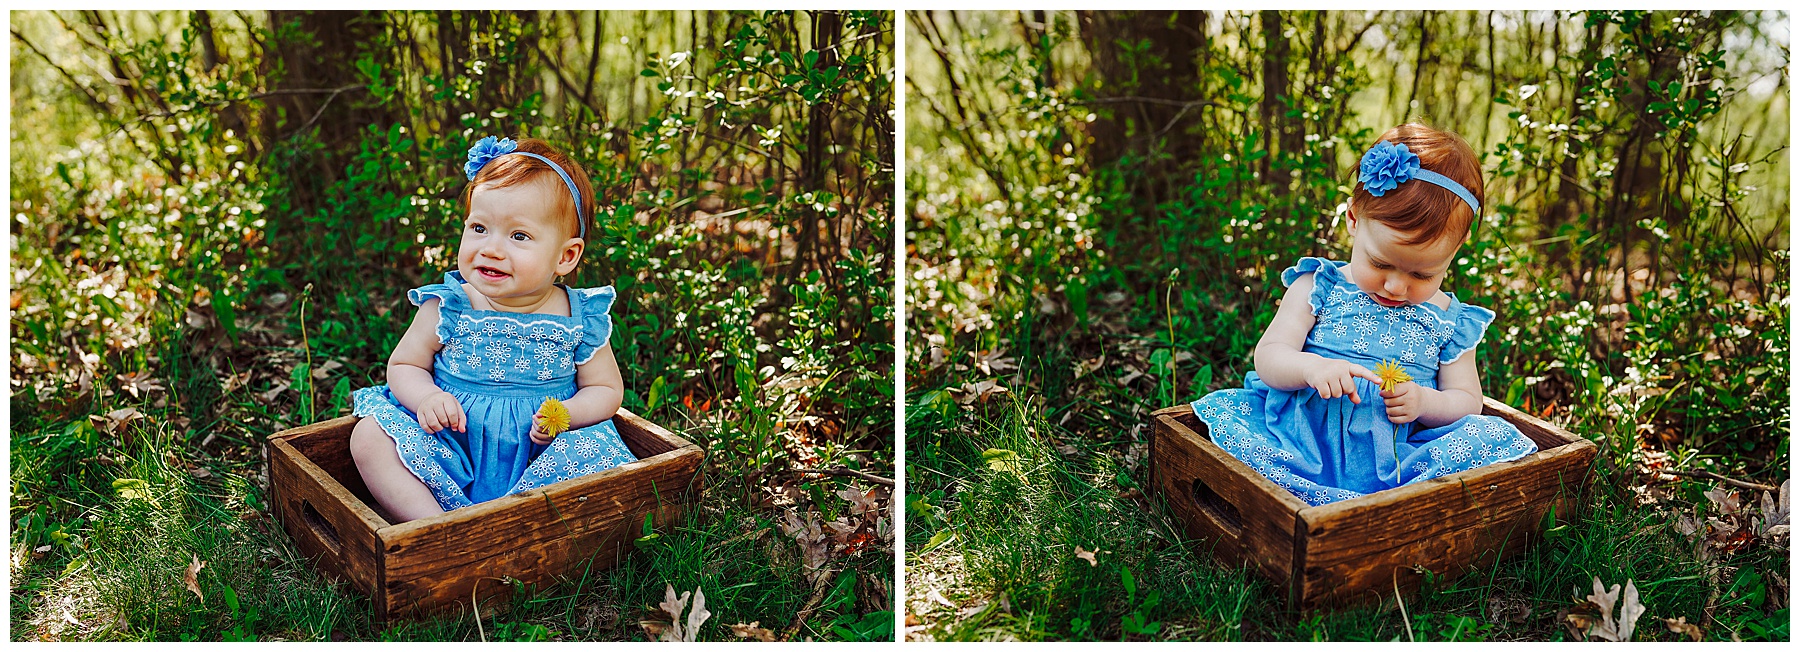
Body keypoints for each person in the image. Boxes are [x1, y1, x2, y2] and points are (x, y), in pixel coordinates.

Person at [1189, 123, 1538, 507]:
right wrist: (1310, 368)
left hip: (1400, 456)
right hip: (1302, 442)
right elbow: (1269, 356)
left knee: (1482, 438)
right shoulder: (1320, 286)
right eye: (1380, 262)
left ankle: (1401, 510)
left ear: (1454, 251)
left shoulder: (1450, 321)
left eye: (1423, 274)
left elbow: (1467, 400)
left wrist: (1424, 402)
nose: (1396, 287)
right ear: (1354, 220)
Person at [349, 136, 636, 522]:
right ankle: (432, 526)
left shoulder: (580, 318)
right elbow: (404, 366)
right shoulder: (449, 305)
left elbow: (605, 389)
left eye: (519, 236)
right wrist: (427, 398)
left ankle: (526, 531)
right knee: (369, 438)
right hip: (452, 448)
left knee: (597, 458)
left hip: (542, 461)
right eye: (479, 228)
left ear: (566, 256)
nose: (491, 249)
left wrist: (566, 414)